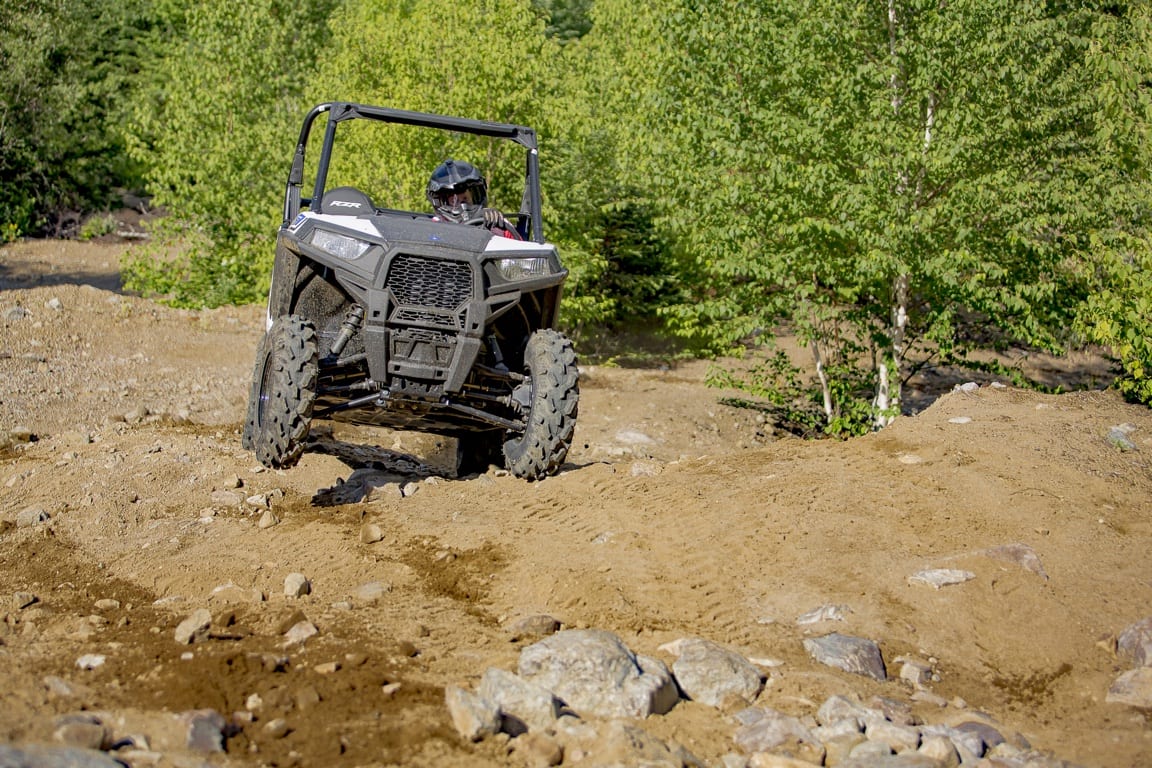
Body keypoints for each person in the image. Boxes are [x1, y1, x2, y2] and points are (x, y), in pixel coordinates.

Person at [426, 159, 520, 239]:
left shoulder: (498, 224)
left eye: (465, 199)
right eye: (454, 202)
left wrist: (495, 228)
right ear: (438, 202)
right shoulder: (433, 228)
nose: (463, 206)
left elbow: (523, 254)